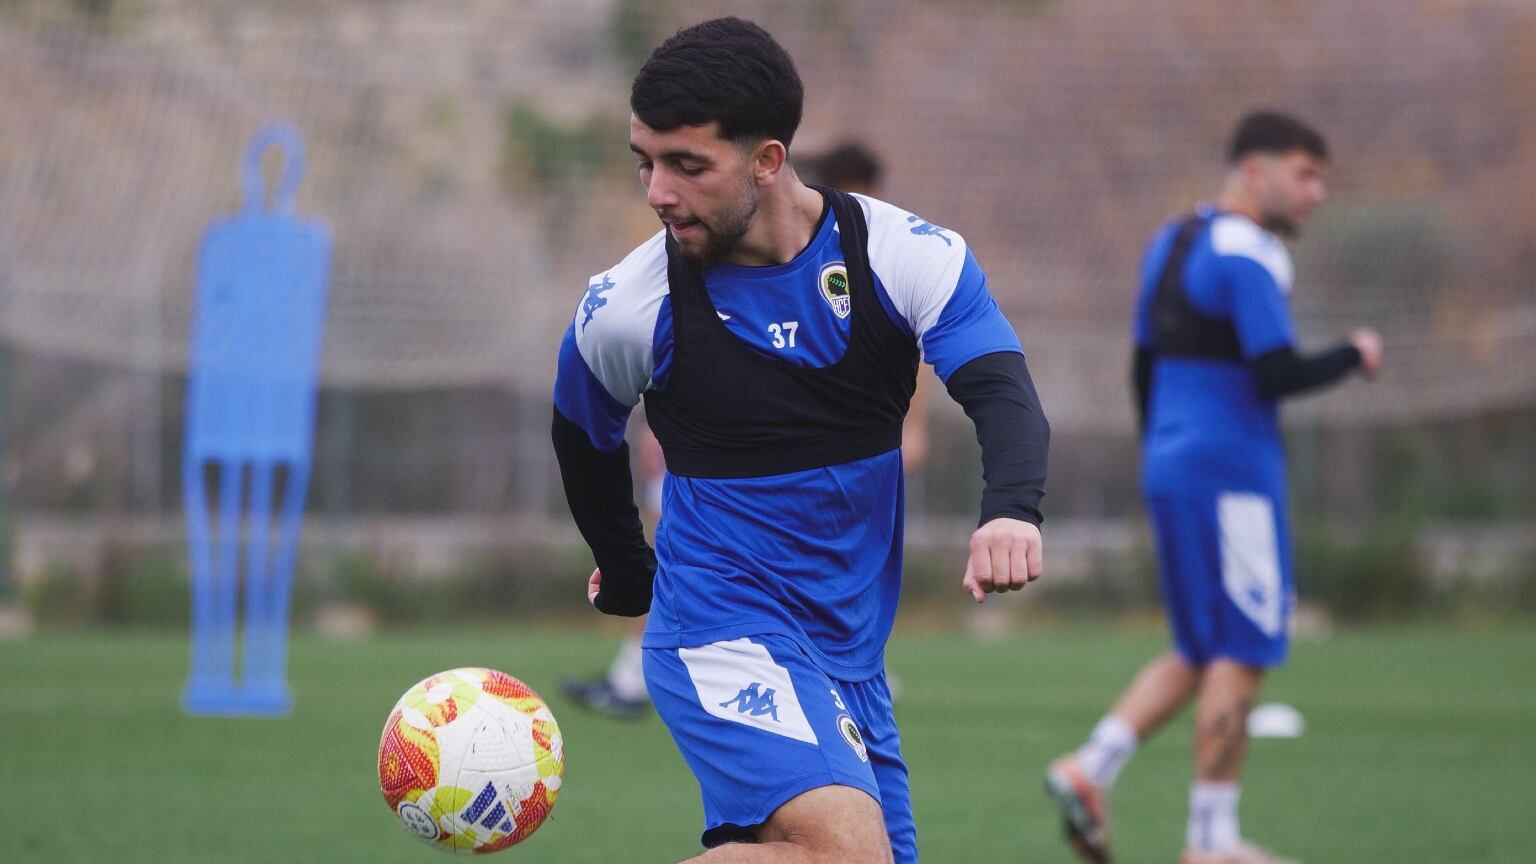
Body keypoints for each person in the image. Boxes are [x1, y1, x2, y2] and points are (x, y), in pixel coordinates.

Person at [551, 17, 1049, 864]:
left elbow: (1001, 387)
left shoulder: (903, 257)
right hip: (719, 630)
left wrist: (1011, 509)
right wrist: (627, 565)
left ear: (768, 160)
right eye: (646, 162)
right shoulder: (628, 305)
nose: (658, 192)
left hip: (848, 654)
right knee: (845, 856)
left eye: (687, 165)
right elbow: (581, 433)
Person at [1043, 111, 1384, 864]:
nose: (1318, 193)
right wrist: (1353, 355)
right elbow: (1276, 370)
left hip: (1171, 460)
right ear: (1255, 171)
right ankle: (1211, 841)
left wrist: (1163, 449)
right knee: (1245, 645)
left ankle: (1089, 768)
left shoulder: (1171, 239)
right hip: (1232, 473)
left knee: (1199, 647)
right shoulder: (1248, 250)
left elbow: (1142, 366)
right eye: (1305, 173)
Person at [562, 139, 934, 720]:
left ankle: (837, 665)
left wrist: (911, 429)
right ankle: (644, 668)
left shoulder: (879, 256)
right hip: (718, 458)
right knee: (676, 542)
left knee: (818, 552)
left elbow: (912, 352)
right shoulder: (736, 254)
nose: (660, 190)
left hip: (823, 461)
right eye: (649, 166)